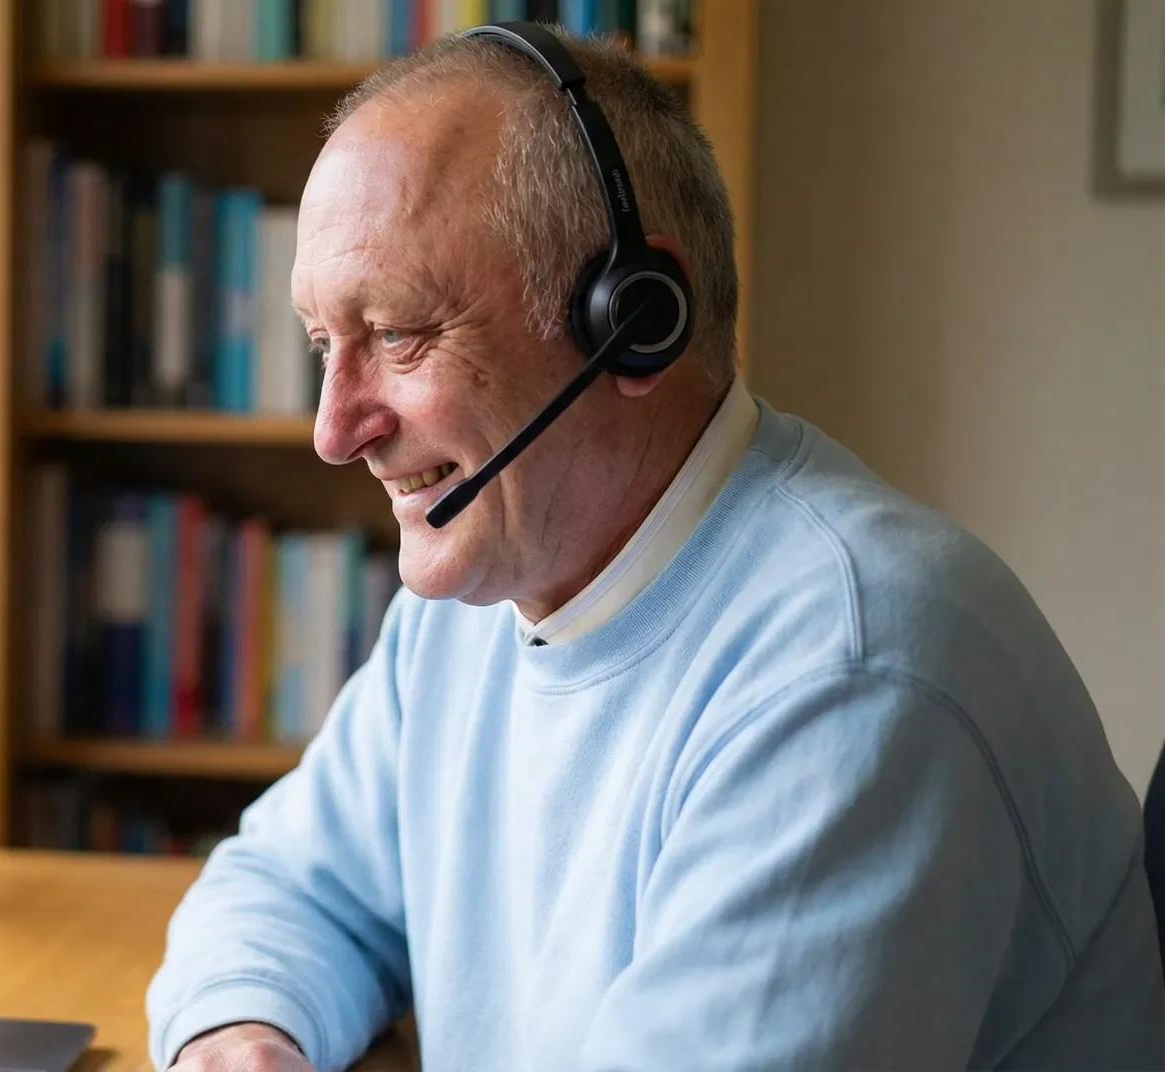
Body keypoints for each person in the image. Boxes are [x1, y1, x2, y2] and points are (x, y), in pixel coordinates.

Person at [148, 27, 1165, 1072]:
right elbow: (287, 886)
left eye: (399, 333)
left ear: (636, 323)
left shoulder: (854, 672)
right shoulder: (475, 607)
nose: (334, 429)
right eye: (326, 344)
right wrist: (245, 1035)